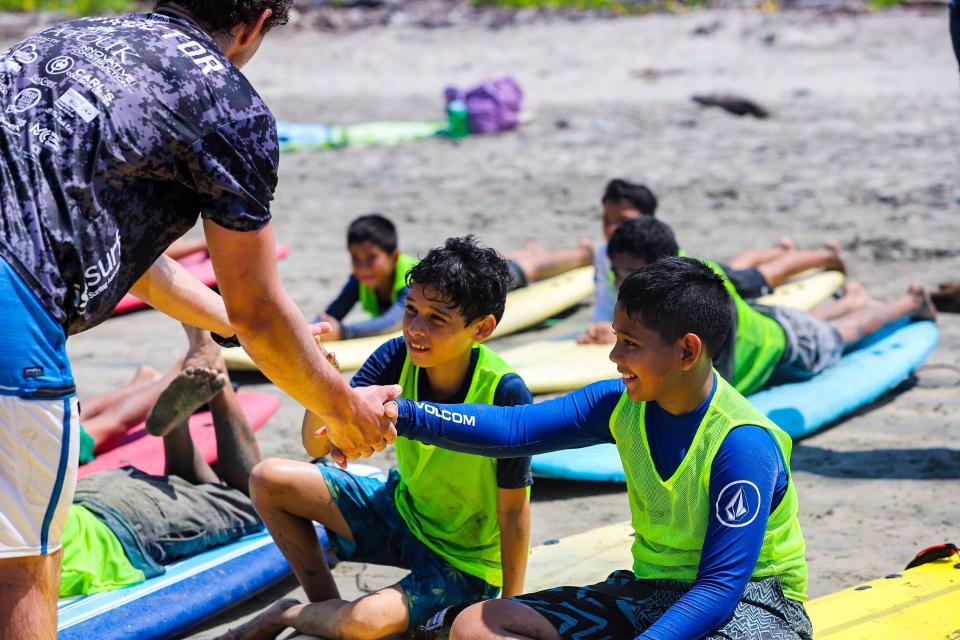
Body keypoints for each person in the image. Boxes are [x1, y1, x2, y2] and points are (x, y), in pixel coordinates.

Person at [0, 3, 397, 636]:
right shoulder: (226, 101)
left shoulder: (67, 40)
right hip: (12, 317)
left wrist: (230, 328)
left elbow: (142, 264)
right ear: (257, 22)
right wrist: (345, 411)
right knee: (21, 567)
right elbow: (261, 309)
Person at [359, 258, 813, 639]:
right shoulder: (617, 404)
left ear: (687, 352)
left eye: (630, 344)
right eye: (616, 338)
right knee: (476, 625)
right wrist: (403, 415)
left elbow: (718, 588)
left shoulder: (742, 445)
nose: (614, 357)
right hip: (651, 593)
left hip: (756, 606)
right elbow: (513, 430)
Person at [230, 236, 534, 640]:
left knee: (364, 622)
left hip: (464, 561)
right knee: (269, 479)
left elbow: (514, 511)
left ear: (482, 328)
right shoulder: (395, 357)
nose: (416, 329)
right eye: (411, 310)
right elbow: (318, 445)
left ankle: (292, 615)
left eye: (437, 319)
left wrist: (510, 604)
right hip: (402, 509)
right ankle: (325, 606)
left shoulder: (504, 392)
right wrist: (321, 385)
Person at [606, 217, 936, 395]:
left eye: (628, 272)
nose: (620, 281)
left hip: (787, 349)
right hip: (767, 323)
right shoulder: (690, 275)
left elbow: (710, 378)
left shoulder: (686, 300)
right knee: (804, 320)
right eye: (615, 272)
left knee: (842, 333)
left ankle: (910, 301)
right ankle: (853, 299)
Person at [60, 327, 266, 597]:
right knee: (195, 491)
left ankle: (219, 379)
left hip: (117, 530)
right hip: (86, 499)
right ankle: (178, 425)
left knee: (254, 505)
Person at [579, 179, 846, 345]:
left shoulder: (657, 253)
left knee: (760, 277)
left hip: (704, 282)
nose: (613, 229)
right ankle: (779, 249)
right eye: (606, 221)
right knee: (740, 266)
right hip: (709, 271)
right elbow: (606, 296)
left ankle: (823, 256)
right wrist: (601, 324)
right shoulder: (608, 254)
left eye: (623, 221)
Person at [320, 213, 592, 340]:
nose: (363, 267)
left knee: (525, 269)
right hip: (454, 270)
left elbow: (391, 321)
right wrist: (319, 329)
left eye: (371, 259)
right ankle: (528, 250)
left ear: (393, 257)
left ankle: (581, 255)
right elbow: (334, 312)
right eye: (356, 259)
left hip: (468, 285)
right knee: (497, 258)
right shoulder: (360, 280)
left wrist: (344, 332)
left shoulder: (410, 283)